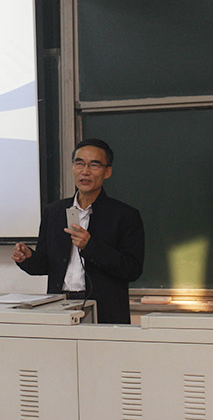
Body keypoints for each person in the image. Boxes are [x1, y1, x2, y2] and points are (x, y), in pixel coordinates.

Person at [12, 138, 144, 324]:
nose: (85, 171)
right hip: (59, 307)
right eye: (79, 163)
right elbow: (45, 265)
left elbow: (132, 269)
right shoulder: (55, 212)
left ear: (107, 172)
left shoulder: (124, 215)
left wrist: (91, 247)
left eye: (94, 165)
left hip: (105, 312)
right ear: (73, 167)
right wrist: (28, 258)